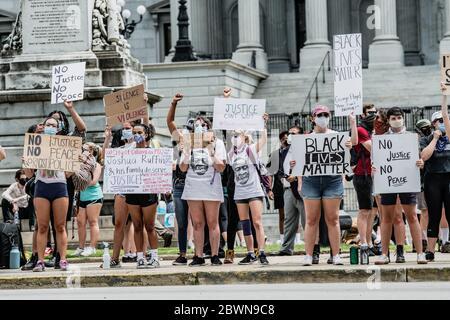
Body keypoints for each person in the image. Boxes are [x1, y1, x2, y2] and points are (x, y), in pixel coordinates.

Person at [300, 105, 357, 266]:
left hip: (332, 180)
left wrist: (352, 123)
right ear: (313, 118)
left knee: (333, 219)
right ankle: (309, 255)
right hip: (311, 181)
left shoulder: (336, 136)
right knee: (311, 220)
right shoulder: (306, 138)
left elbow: (354, 142)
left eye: (326, 114)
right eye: (319, 115)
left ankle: (336, 255)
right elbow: (297, 161)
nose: (323, 117)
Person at [374, 107, 427, 265]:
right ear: (388, 120)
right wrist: (374, 168)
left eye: (399, 117)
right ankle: (384, 254)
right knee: (386, 218)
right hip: (388, 181)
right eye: (393, 118)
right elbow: (376, 160)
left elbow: (419, 158)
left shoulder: (412, 137)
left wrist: (420, 162)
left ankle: (420, 254)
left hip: (407, 181)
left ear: (403, 118)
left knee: (411, 217)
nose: (396, 120)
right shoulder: (381, 139)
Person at [179, 111, 227, 267]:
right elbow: (183, 168)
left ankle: (214, 255)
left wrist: (211, 150)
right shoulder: (188, 143)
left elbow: (221, 168)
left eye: (203, 125)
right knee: (198, 223)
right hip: (193, 187)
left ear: (209, 128)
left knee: (213, 222)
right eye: (197, 125)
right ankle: (198, 256)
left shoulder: (217, 143)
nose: (200, 127)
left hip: (211, 187)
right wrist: (186, 152)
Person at [23, 117, 71, 272]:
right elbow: (30, 174)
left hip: (59, 186)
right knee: (42, 226)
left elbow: (69, 173)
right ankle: (40, 261)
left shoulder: (64, 145)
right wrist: (26, 162)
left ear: (58, 128)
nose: (50, 127)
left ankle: (62, 259)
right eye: (48, 124)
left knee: (60, 226)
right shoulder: (36, 144)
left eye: (53, 125)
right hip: (42, 186)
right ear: (43, 127)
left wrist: (72, 161)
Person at [228, 121, 270, 265]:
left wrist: (263, 125)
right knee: (245, 223)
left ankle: (262, 252)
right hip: (240, 192)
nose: (234, 137)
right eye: (233, 134)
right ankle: (250, 253)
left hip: (253, 189)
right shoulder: (231, 154)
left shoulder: (250, 149)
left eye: (237, 134)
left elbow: (264, 140)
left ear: (244, 136)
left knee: (257, 222)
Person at [420, 83, 450, 261]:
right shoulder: (426, 139)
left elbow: (446, 114)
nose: (442, 123)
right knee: (434, 214)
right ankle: (430, 250)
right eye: (438, 121)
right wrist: (435, 138)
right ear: (433, 124)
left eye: (443, 121)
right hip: (432, 179)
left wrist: (445, 95)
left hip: (448, 177)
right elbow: (424, 156)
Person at [125, 123, 160, 269]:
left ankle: (154, 257)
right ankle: (140, 256)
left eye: (139, 132)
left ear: (146, 134)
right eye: (134, 132)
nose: (136, 135)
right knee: (137, 225)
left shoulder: (153, 151)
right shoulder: (127, 151)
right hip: (132, 191)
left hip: (148, 192)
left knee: (150, 226)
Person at [273, 126, 306, 257]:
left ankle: (312, 247)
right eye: (289, 133)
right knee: (289, 220)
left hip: (302, 188)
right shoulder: (284, 150)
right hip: (288, 188)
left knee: (306, 220)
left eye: (293, 133)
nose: (289, 136)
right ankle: (287, 247)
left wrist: (297, 175)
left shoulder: (304, 148)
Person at [167, 93, 190, 265]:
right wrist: (174, 103)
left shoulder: (196, 147)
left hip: (196, 187)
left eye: (184, 133)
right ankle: (182, 254)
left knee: (199, 222)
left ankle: (206, 251)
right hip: (179, 187)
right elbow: (170, 122)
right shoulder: (176, 150)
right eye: (179, 133)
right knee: (181, 222)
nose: (181, 134)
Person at [352, 104, 377, 258]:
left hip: (373, 175)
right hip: (363, 174)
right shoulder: (361, 130)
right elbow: (374, 149)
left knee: (372, 212)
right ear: (362, 115)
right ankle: (363, 243)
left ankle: (369, 242)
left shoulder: (371, 131)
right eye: (370, 113)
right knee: (364, 210)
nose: (373, 115)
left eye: (375, 113)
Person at [73, 143, 104, 257]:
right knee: (80, 222)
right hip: (82, 196)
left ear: (90, 152)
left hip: (93, 196)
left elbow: (94, 181)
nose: (81, 151)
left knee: (92, 221)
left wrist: (80, 184)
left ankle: (92, 247)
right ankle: (81, 247)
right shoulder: (79, 164)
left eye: (84, 149)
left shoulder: (96, 165)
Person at [415, 118, 432, 251]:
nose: (427, 129)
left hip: (434, 178)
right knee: (424, 211)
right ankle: (423, 239)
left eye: (428, 126)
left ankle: (443, 239)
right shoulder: (417, 143)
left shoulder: (435, 139)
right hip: (422, 181)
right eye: (424, 127)